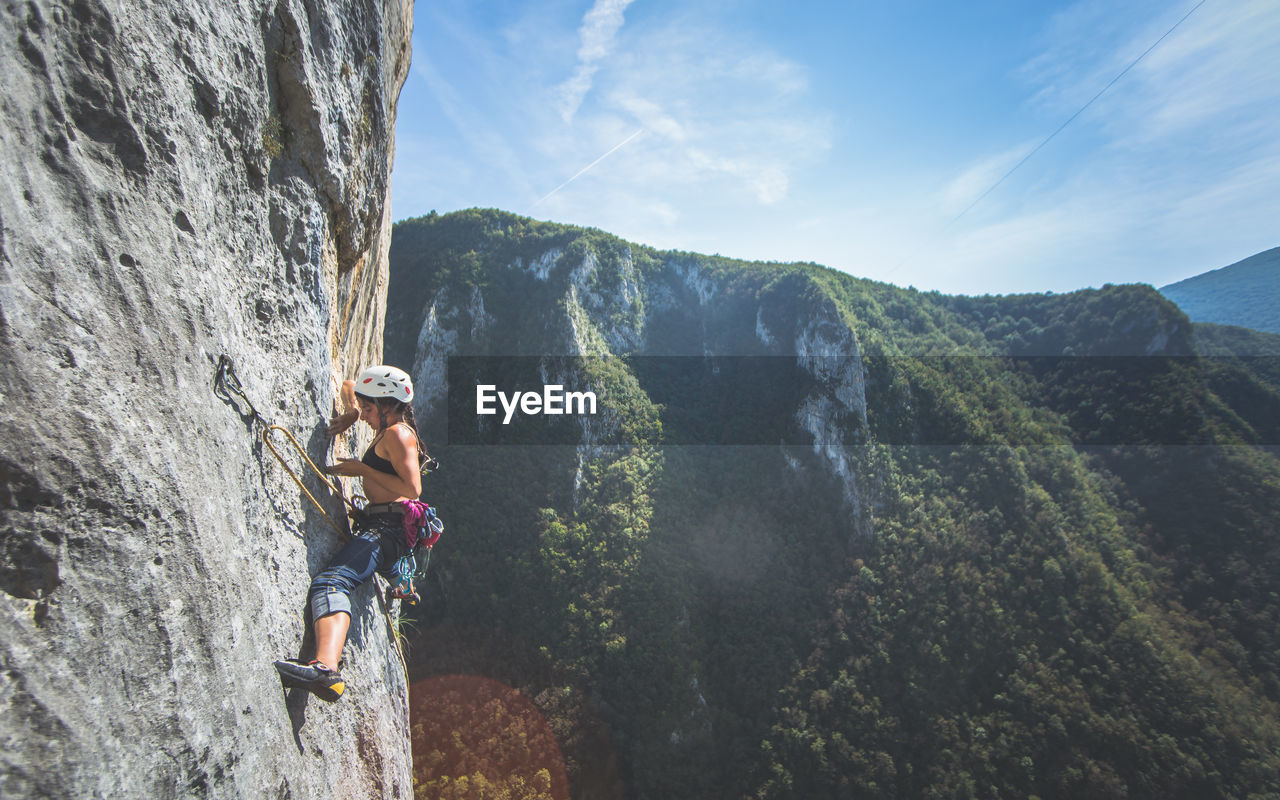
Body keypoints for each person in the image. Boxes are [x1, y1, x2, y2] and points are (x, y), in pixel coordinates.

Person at [273, 364, 428, 701]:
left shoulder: (399, 435)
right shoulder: (387, 425)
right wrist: (353, 411)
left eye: (371, 409)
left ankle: (326, 670)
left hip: (387, 529)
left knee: (332, 582)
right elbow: (348, 385)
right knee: (387, 564)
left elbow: (413, 489)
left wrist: (363, 468)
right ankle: (401, 579)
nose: (368, 417)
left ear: (388, 405)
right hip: (384, 525)